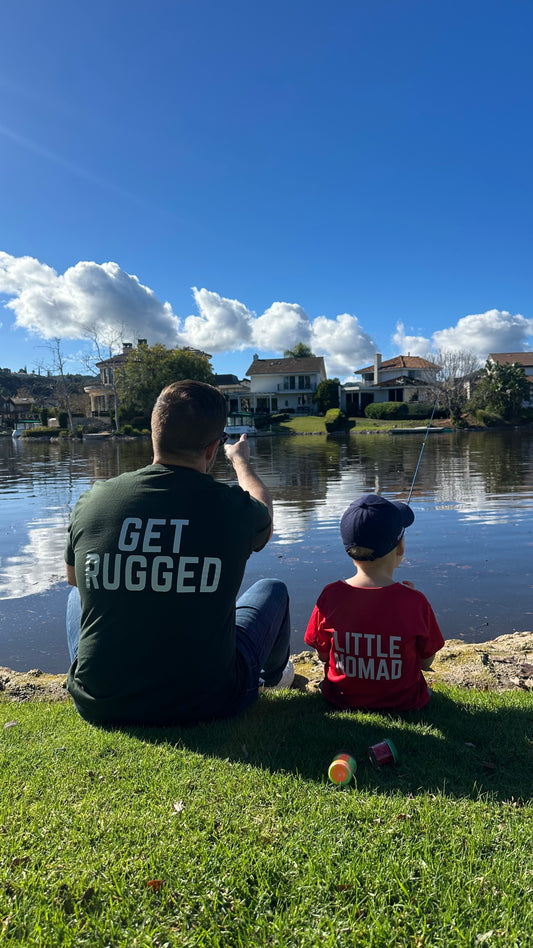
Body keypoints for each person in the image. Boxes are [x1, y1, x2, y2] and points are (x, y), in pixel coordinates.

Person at [65, 379, 294, 727]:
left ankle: (110, 671)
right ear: (212, 448)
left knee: (74, 596)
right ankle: (275, 677)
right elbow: (263, 513)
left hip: (101, 702)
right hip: (213, 699)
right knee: (273, 590)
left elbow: (73, 578)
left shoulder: (94, 499)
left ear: (153, 434)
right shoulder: (232, 507)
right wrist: (241, 463)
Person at [304, 493, 444, 711]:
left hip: (341, 699)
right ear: (400, 549)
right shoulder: (415, 602)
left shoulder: (329, 596)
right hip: (403, 703)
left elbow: (323, 656)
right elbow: (426, 664)